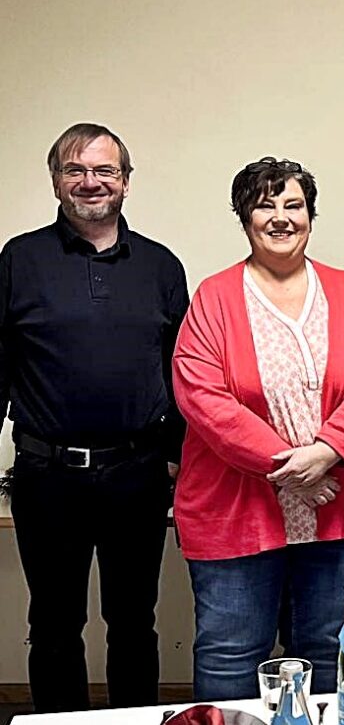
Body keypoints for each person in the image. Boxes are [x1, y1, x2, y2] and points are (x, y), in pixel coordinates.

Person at [172, 157, 344, 699]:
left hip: (337, 508)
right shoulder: (214, 297)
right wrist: (294, 471)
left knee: (327, 650)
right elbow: (202, 396)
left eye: (293, 205)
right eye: (264, 205)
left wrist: (329, 450)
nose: (280, 217)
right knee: (232, 652)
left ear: (310, 216)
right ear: (244, 218)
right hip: (235, 512)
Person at [0, 123, 187, 712]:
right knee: (54, 624)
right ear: (55, 180)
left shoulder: (160, 266)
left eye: (104, 170)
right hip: (46, 475)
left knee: (134, 622)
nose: (90, 182)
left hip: (138, 474)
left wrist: (177, 457)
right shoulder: (19, 259)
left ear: (125, 182)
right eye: (75, 170)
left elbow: (183, 371)